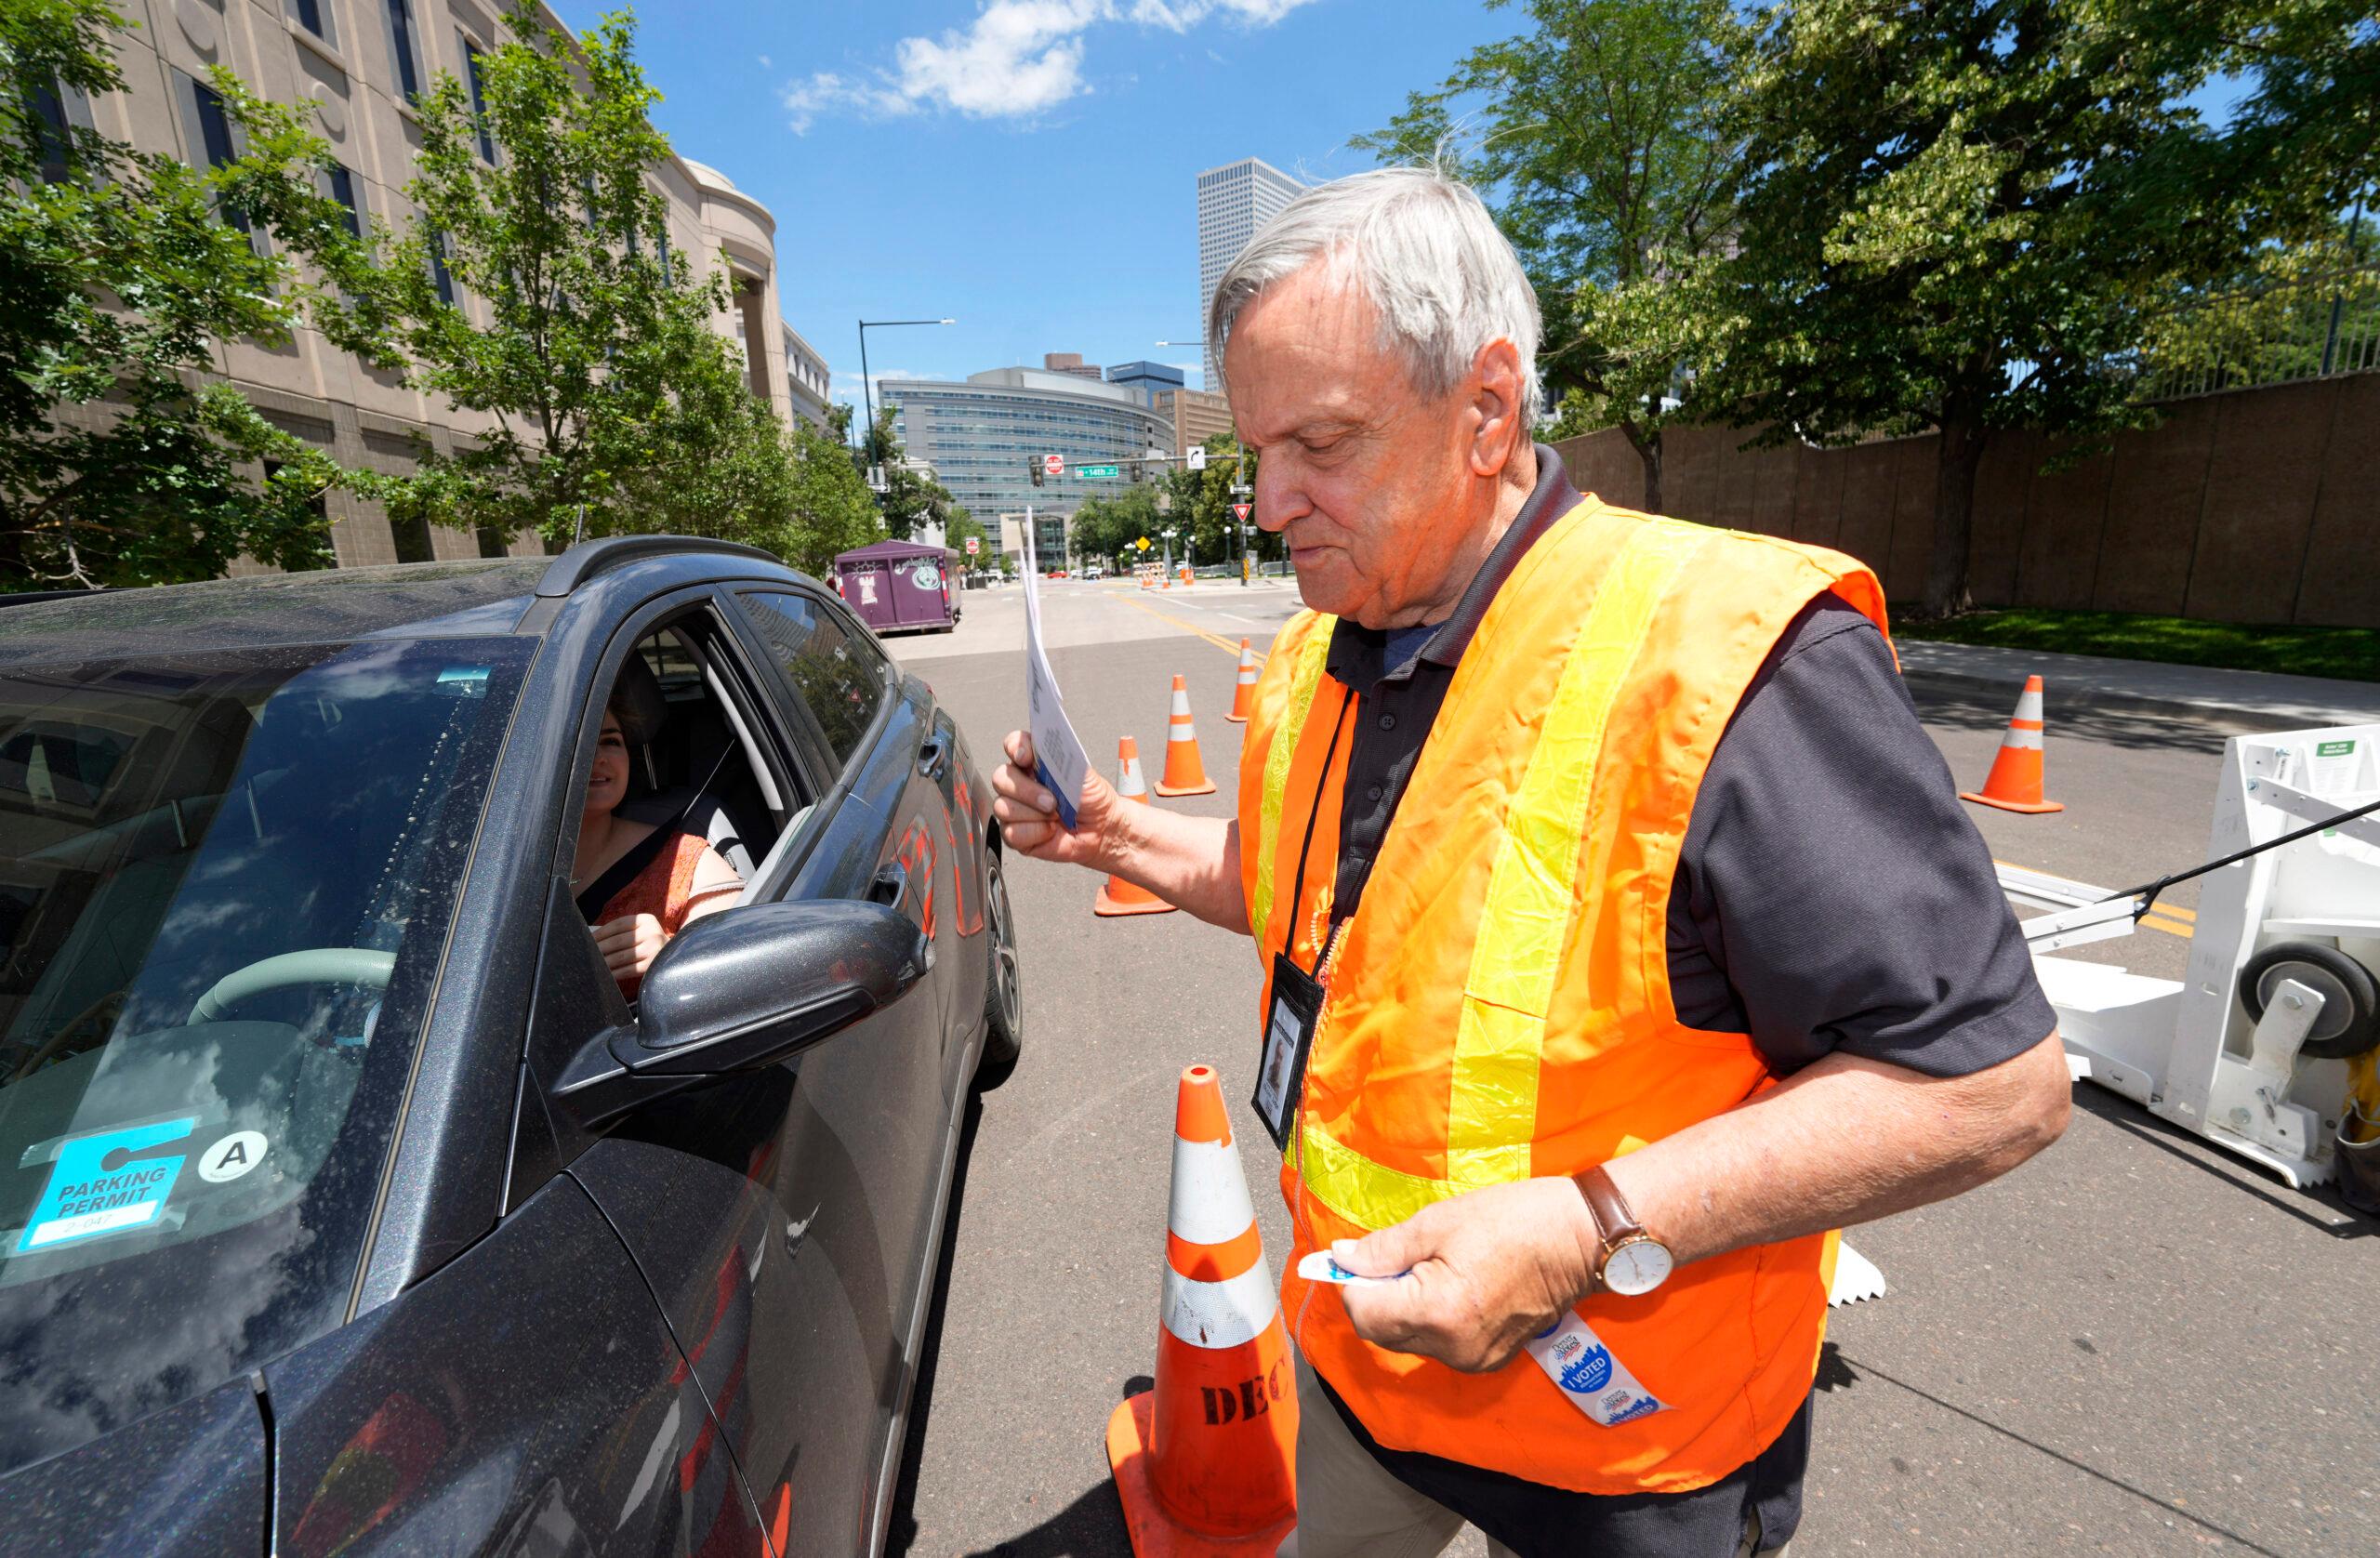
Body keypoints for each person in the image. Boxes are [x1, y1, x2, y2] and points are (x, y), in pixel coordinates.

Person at [992, 166, 2071, 1558]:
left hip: (1624, 1440)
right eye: (1257, 452)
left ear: (1487, 409)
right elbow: (1297, 903)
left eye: (1321, 443)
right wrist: (1120, 833)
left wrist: (1585, 1224)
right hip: (1367, 1366)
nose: (1269, 502)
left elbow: (1991, 1083)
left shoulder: (1729, 656)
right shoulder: (1322, 649)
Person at [575, 686, 742, 1000]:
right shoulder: (479, 865)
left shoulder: (689, 864)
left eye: (611, 741)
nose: (598, 758)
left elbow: (744, 980)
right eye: (578, 743)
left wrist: (673, 958)